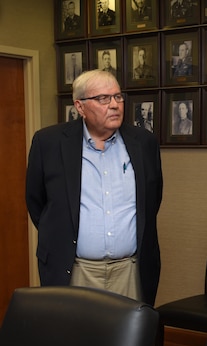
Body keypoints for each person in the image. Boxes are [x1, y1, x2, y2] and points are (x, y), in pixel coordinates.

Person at [25, 70, 163, 306]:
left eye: (118, 97)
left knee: (127, 342)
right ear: (80, 107)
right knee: (74, 341)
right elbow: (37, 202)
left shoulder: (144, 142)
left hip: (129, 271)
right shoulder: (48, 142)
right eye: (103, 99)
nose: (114, 105)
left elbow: (152, 200)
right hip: (75, 270)